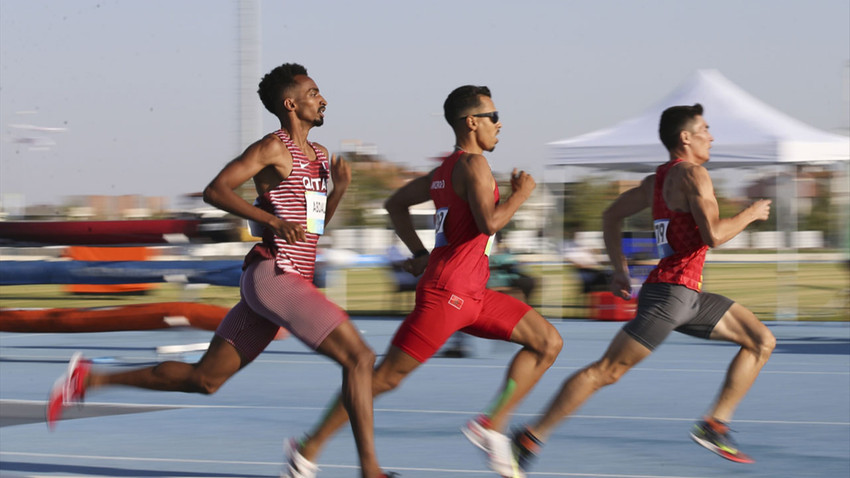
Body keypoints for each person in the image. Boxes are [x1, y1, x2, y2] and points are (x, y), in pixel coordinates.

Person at [46, 63, 396, 478]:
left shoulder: (320, 157)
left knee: (205, 380)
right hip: (274, 277)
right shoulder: (273, 148)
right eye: (314, 92)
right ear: (291, 104)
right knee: (360, 357)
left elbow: (313, 229)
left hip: (288, 280)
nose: (323, 99)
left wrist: (337, 190)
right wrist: (269, 221)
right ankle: (369, 470)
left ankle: (88, 381)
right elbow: (217, 190)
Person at [287, 85, 563, 478]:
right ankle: (306, 450)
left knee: (547, 342)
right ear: (472, 122)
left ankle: (490, 426)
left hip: (475, 294)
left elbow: (394, 204)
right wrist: (521, 195)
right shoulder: (474, 166)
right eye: (494, 117)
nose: (500, 126)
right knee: (384, 378)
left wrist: (420, 254)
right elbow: (491, 222)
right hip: (447, 296)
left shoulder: (445, 171)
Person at [510, 103, 776, 471]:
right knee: (607, 371)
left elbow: (610, 215)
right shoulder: (694, 175)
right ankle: (530, 435)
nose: (711, 137)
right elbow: (714, 235)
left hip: (686, 295)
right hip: (670, 296)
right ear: (686, 137)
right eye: (706, 129)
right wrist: (751, 213)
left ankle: (715, 424)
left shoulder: (656, 181)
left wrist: (619, 271)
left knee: (761, 341)